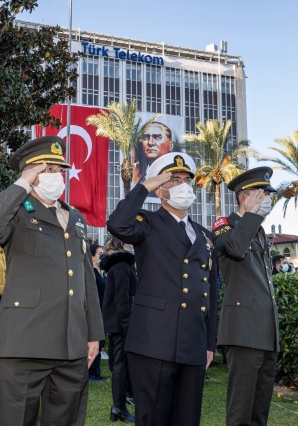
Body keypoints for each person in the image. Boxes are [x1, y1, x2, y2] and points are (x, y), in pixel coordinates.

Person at [0, 135, 104, 426]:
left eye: (58, 170)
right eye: (45, 169)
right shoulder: (17, 212)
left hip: (72, 342)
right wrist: (22, 185)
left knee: (67, 419)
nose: (55, 176)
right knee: (18, 419)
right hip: (26, 340)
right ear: (28, 172)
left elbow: (86, 280)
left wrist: (94, 333)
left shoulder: (76, 218)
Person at [108, 152, 218, 425]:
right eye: (173, 180)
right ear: (160, 189)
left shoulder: (205, 235)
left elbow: (211, 292)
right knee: (154, 418)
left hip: (193, 342)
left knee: (187, 418)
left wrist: (209, 343)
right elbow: (117, 223)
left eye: (186, 180)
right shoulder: (147, 224)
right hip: (154, 340)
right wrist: (144, 187)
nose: (183, 186)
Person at [212, 166, 279, 426]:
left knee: (259, 410)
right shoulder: (224, 227)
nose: (267, 200)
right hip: (243, 330)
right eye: (262, 194)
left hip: (265, 331)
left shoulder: (259, 231)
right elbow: (236, 250)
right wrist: (250, 216)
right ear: (244, 197)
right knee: (241, 410)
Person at [99, 237, 137, 423]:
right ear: (123, 244)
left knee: (120, 364)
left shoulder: (117, 264)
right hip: (121, 323)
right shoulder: (121, 264)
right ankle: (119, 406)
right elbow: (122, 298)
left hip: (117, 322)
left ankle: (119, 406)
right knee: (121, 365)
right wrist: (127, 324)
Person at [132, 122, 175, 186]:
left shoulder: (176, 174)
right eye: (146, 137)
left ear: (171, 145)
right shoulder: (136, 174)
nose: (150, 143)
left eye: (157, 137)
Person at [88, 243, 108, 383]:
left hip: (102, 309)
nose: (102, 257)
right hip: (95, 309)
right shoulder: (91, 273)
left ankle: (97, 372)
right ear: (92, 256)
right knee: (95, 339)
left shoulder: (100, 272)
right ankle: (91, 373)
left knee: (100, 341)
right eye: (100, 254)